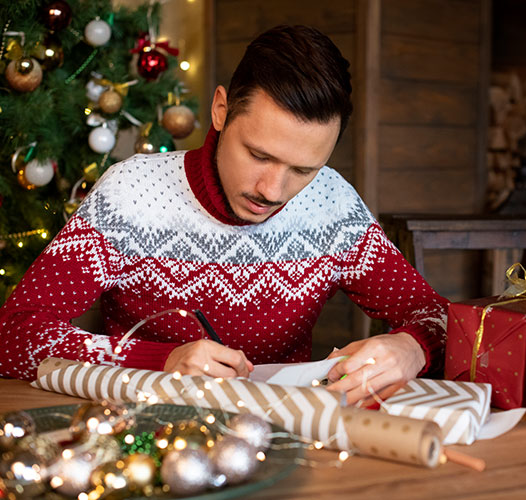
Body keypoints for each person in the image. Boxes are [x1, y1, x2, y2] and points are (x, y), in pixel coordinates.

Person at [0, 25, 447, 405]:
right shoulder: (130, 194)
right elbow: (15, 335)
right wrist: (159, 361)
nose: (272, 191)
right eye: (258, 155)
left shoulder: (332, 202)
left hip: (295, 438)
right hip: (147, 436)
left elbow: (440, 318)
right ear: (220, 111)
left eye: (303, 170)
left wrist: (412, 346)